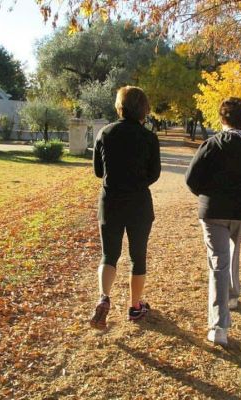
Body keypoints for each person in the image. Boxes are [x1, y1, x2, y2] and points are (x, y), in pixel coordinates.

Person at [185, 97, 241, 346]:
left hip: (214, 212)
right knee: (233, 253)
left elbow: (192, 179)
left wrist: (209, 196)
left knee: (218, 264)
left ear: (222, 118)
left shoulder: (211, 144)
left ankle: (218, 326)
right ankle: (233, 296)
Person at [90, 86, 161, 330]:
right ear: (144, 109)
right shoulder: (149, 138)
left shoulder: (105, 133)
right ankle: (134, 307)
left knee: (109, 254)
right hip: (139, 204)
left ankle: (103, 298)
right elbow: (154, 174)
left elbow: (99, 171)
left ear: (120, 106)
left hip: (110, 202)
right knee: (137, 256)